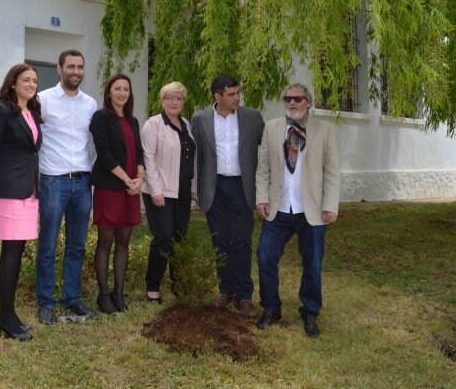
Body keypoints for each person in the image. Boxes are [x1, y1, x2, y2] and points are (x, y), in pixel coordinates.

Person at [255, 83, 340, 338]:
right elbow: (263, 168)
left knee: (312, 263)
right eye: (287, 99)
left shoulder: (325, 130)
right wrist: (261, 197)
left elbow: (332, 172)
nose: (292, 103)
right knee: (265, 257)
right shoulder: (271, 128)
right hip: (279, 208)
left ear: (308, 103)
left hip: (310, 210)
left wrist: (330, 205)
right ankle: (271, 308)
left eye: (297, 99)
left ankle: (310, 312)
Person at [0, 63, 43, 341]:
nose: (31, 83)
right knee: (11, 252)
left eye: (35, 80)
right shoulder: (1, 111)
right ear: (13, 83)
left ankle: (8, 314)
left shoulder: (31, 112)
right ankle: (5, 316)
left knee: (17, 250)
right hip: (7, 190)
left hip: (27, 191)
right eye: (26, 79)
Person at [191, 74, 264, 317]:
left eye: (237, 93)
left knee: (242, 241)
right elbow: (197, 157)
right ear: (217, 96)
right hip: (214, 188)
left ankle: (244, 295)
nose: (237, 98)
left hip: (242, 187)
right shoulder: (200, 119)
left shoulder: (252, 117)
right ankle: (226, 290)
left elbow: (265, 151)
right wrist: (197, 190)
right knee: (220, 241)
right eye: (231, 94)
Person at [36, 50, 98, 325]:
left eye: (80, 67)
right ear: (59, 68)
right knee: (48, 244)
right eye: (70, 66)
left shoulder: (90, 103)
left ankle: (71, 299)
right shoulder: (43, 100)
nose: (76, 71)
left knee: (77, 245)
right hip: (53, 181)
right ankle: (46, 303)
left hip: (83, 182)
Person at [89, 73, 145, 314]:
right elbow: (104, 153)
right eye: (117, 88)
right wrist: (126, 179)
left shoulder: (132, 121)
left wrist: (140, 178)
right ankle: (103, 295)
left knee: (124, 241)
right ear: (109, 92)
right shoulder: (101, 117)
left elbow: (139, 152)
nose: (122, 93)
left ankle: (119, 293)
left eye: (126, 89)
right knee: (106, 242)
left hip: (131, 189)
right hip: (111, 188)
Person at [141, 82, 196, 304]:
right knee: (163, 237)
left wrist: (192, 191)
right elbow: (149, 159)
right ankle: (152, 286)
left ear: (184, 102)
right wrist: (156, 190)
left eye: (179, 98)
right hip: (160, 190)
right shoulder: (153, 124)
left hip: (182, 189)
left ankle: (178, 283)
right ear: (162, 100)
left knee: (179, 237)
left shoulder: (186, 124)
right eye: (170, 98)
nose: (174, 102)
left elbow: (191, 159)